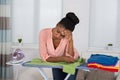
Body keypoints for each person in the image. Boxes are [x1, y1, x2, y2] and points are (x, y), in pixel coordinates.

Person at [39, 12, 80, 80]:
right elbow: (44, 57)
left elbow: (70, 57)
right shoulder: (44, 33)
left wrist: (70, 40)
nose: (58, 36)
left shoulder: (67, 37)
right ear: (57, 24)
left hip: (71, 61)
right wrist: (63, 58)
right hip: (56, 62)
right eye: (58, 31)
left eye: (62, 36)